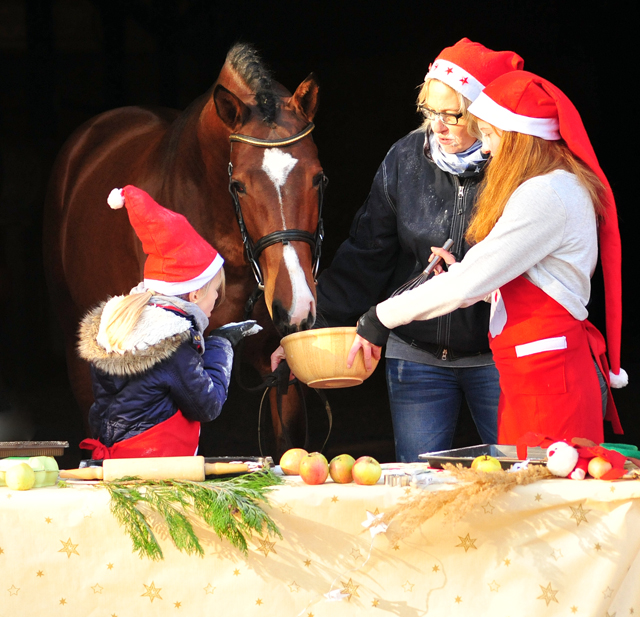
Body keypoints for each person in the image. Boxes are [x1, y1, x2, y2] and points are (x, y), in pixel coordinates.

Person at [272, 39, 524, 462]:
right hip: (417, 357)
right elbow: (366, 254)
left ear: (484, 114)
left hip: (496, 358)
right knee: (417, 489)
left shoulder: (516, 167)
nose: (438, 127)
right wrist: (308, 329)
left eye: (452, 114)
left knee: (518, 483)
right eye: (430, 112)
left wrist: (471, 273)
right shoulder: (404, 158)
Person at [350, 70, 626, 445]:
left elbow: (468, 285)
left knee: (544, 498)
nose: (485, 149)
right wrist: (466, 270)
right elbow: (522, 276)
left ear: (516, 139)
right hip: (536, 376)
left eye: (491, 136)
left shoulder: (546, 193)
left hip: (547, 380)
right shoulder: (554, 185)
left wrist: (381, 316)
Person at [77, 185, 260, 459]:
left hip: (116, 463)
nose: (215, 304)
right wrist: (221, 344)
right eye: (215, 294)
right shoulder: (172, 340)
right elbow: (208, 405)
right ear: (195, 293)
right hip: (157, 470)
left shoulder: (119, 323)